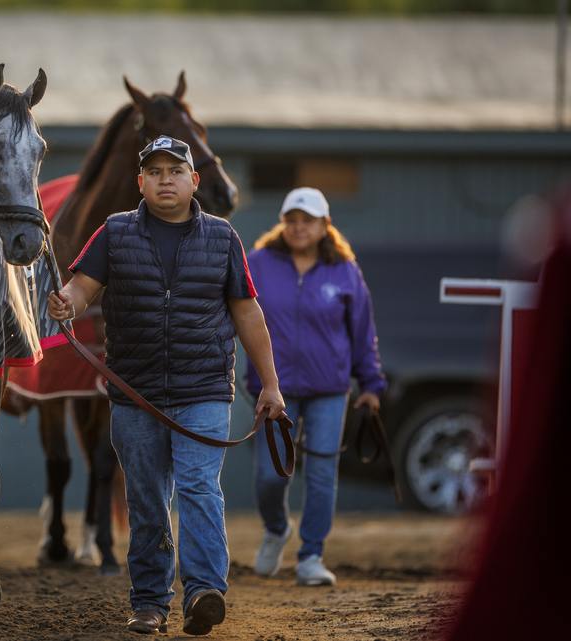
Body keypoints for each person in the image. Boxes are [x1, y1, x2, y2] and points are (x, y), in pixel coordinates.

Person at [48, 135, 285, 636]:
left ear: (194, 179)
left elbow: (249, 313)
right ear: (141, 182)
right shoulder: (114, 232)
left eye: (175, 171)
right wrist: (66, 302)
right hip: (135, 394)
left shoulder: (223, 238)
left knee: (200, 488)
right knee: (147, 498)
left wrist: (270, 385)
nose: (165, 180)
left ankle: (203, 591)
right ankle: (151, 602)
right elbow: (81, 287)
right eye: (154, 172)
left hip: (202, 391)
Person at [246, 187, 386, 587]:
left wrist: (371, 382)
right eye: (291, 219)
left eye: (307, 221)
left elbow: (363, 332)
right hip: (274, 389)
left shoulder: (345, 271)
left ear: (325, 225)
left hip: (329, 388)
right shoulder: (258, 263)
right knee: (271, 476)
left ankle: (311, 555)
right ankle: (276, 529)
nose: (298, 227)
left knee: (323, 472)